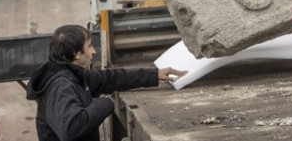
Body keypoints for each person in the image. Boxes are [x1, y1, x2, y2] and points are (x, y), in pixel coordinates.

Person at [26, 24, 186, 141]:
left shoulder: (72, 75)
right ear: (76, 54)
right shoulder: (60, 86)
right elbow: (71, 128)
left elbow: (110, 78)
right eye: (89, 46)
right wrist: (104, 104)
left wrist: (154, 74)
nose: (94, 51)